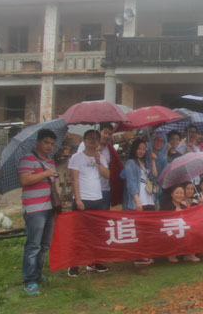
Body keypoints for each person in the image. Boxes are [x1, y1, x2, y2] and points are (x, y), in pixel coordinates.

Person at [19, 129, 58, 295]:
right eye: (46, 142)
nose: (49, 146)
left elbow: (52, 181)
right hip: (34, 209)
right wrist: (46, 173)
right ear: (38, 142)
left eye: (52, 144)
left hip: (49, 207)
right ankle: (29, 281)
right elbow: (25, 180)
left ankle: (37, 274)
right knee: (33, 245)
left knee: (44, 245)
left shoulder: (50, 161)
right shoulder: (27, 159)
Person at [68, 130, 111, 276]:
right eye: (90, 138)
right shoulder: (76, 158)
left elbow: (107, 175)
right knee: (79, 234)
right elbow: (74, 179)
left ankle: (94, 262)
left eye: (95, 139)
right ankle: (74, 264)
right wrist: (78, 199)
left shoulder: (100, 157)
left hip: (97, 198)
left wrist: (98, 162)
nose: (92, 141)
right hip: (83, 199)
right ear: (84, 140)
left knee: (96, 233)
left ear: (99, 141)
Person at [76, 123, 122, 209]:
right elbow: (79, 164)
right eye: (105, 132)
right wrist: (93, 150)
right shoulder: (85, 144)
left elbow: (112, 169)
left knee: (103, 216)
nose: (107, 136)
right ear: (99, 132)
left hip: (105, 190)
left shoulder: (109, 148)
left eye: (110, 134)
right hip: (89, 190)